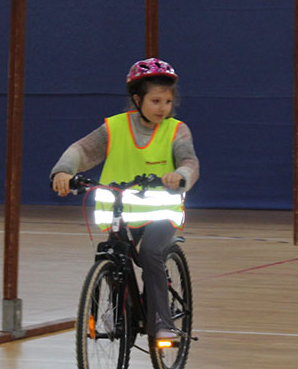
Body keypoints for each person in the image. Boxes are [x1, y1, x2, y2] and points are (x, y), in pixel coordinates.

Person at [51, 58, 199, 344]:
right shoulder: (114, 128)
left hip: (161, 214)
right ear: (137, 100)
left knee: (151, 253)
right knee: (114, 255)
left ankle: (162, 321)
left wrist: (180, 176)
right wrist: (63, 172)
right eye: (155, 101)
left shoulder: (176, 130)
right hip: (120, 213)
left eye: (168, 101)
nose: (163, 108)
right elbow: (81, 151)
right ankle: (119, 309)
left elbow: (189, 162)